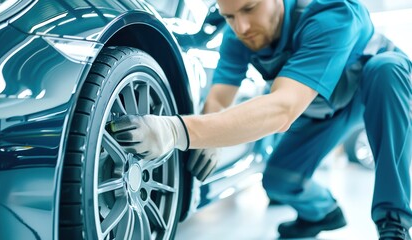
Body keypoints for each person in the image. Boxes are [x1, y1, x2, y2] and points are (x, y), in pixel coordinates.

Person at [107, 0, 412, 238]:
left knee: (387, 69)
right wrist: (208, 140)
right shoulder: (238, 37)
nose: (241, 26)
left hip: (370, 92)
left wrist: (176, 130)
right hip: (320, 111)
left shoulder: (332, 12)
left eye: (250, 8)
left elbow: (282, 109)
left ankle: (394, 224)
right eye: (229, 16)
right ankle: (323, 213)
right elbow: (218, 98)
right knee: (278, 181)